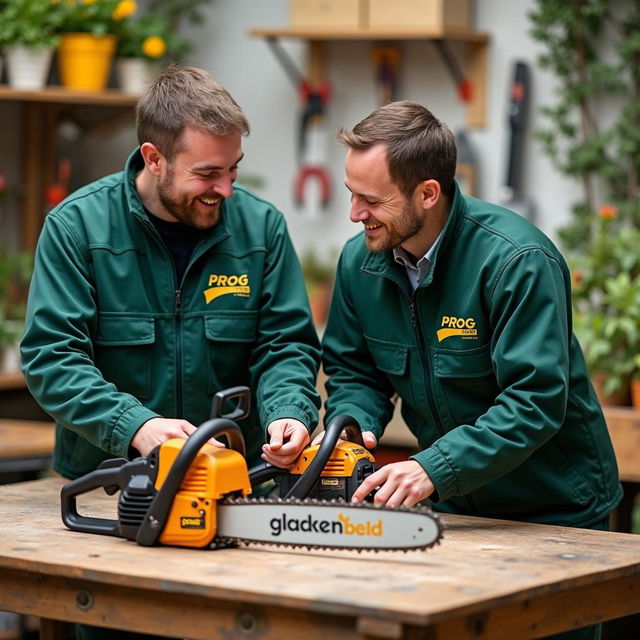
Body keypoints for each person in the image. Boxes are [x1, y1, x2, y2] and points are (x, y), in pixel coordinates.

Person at [21, 66, 320, 639]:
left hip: (237, 496)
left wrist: (289, 413)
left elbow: (284, 345)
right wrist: (137, 427)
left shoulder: (260, 228)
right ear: (153, 158)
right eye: (207, 173)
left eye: (233, 170)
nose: (226, 189)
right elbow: (52, 359)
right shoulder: (78, 227)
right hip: (112, 493)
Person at [321, 101, 621, 640]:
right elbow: (354, 370)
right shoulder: (359, 262)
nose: (354, 213)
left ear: (427, 193)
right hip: (455, 514)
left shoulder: (515, 260)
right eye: (351, 194)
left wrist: (432, 467)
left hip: (554, 513)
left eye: (370, 200)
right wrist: (354, 428)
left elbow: (534, 401)